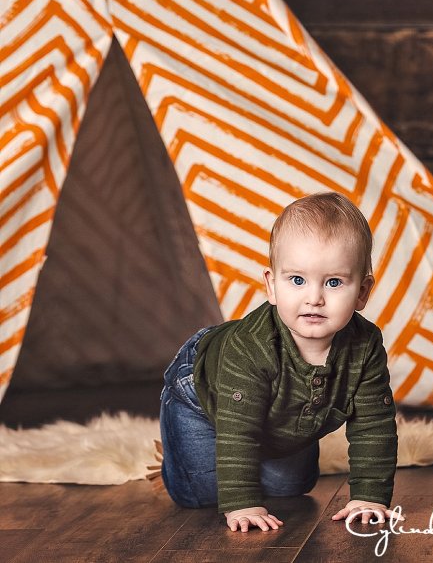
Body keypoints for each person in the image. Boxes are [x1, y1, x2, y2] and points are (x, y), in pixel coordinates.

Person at [159, 190, 399, 533]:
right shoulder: (251, 347)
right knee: (204, 493)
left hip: (280, 408)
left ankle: (245, 457)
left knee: (292, 486)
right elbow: (238, 430)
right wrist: (242, 502)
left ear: (362, 292)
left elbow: (373, 424)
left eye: (333, 282)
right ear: (272, 285)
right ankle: (177, 455)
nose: (314, 298)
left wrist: (369, 496)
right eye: (297, 280)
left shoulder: (365, 345)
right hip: (200, 389)